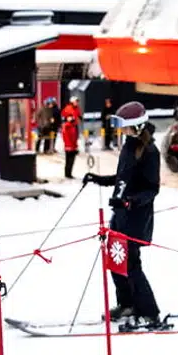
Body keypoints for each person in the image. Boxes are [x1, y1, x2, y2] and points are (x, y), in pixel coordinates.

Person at [83, 101, 164, 330]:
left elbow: (151, 189)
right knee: (116, 261)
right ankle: (127, 304)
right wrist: (98, 179)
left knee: (131, 266)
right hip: (120, 215)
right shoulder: (130, 145)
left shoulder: (150, 152)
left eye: (125, 126)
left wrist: (130, 201)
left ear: (136, 126)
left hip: (136, 219)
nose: (121, 130)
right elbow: (123, 178)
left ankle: (149, 312)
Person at [61, 96, 83, 179]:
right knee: (69, 158)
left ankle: (69, 173)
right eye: (76, 101)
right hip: (69, 144)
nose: (77, 103)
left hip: (72, 143)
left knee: (71, 159)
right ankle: (67, 173)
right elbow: (68, 135)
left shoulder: (76, 109)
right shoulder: (68, 110)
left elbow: (77, 114)